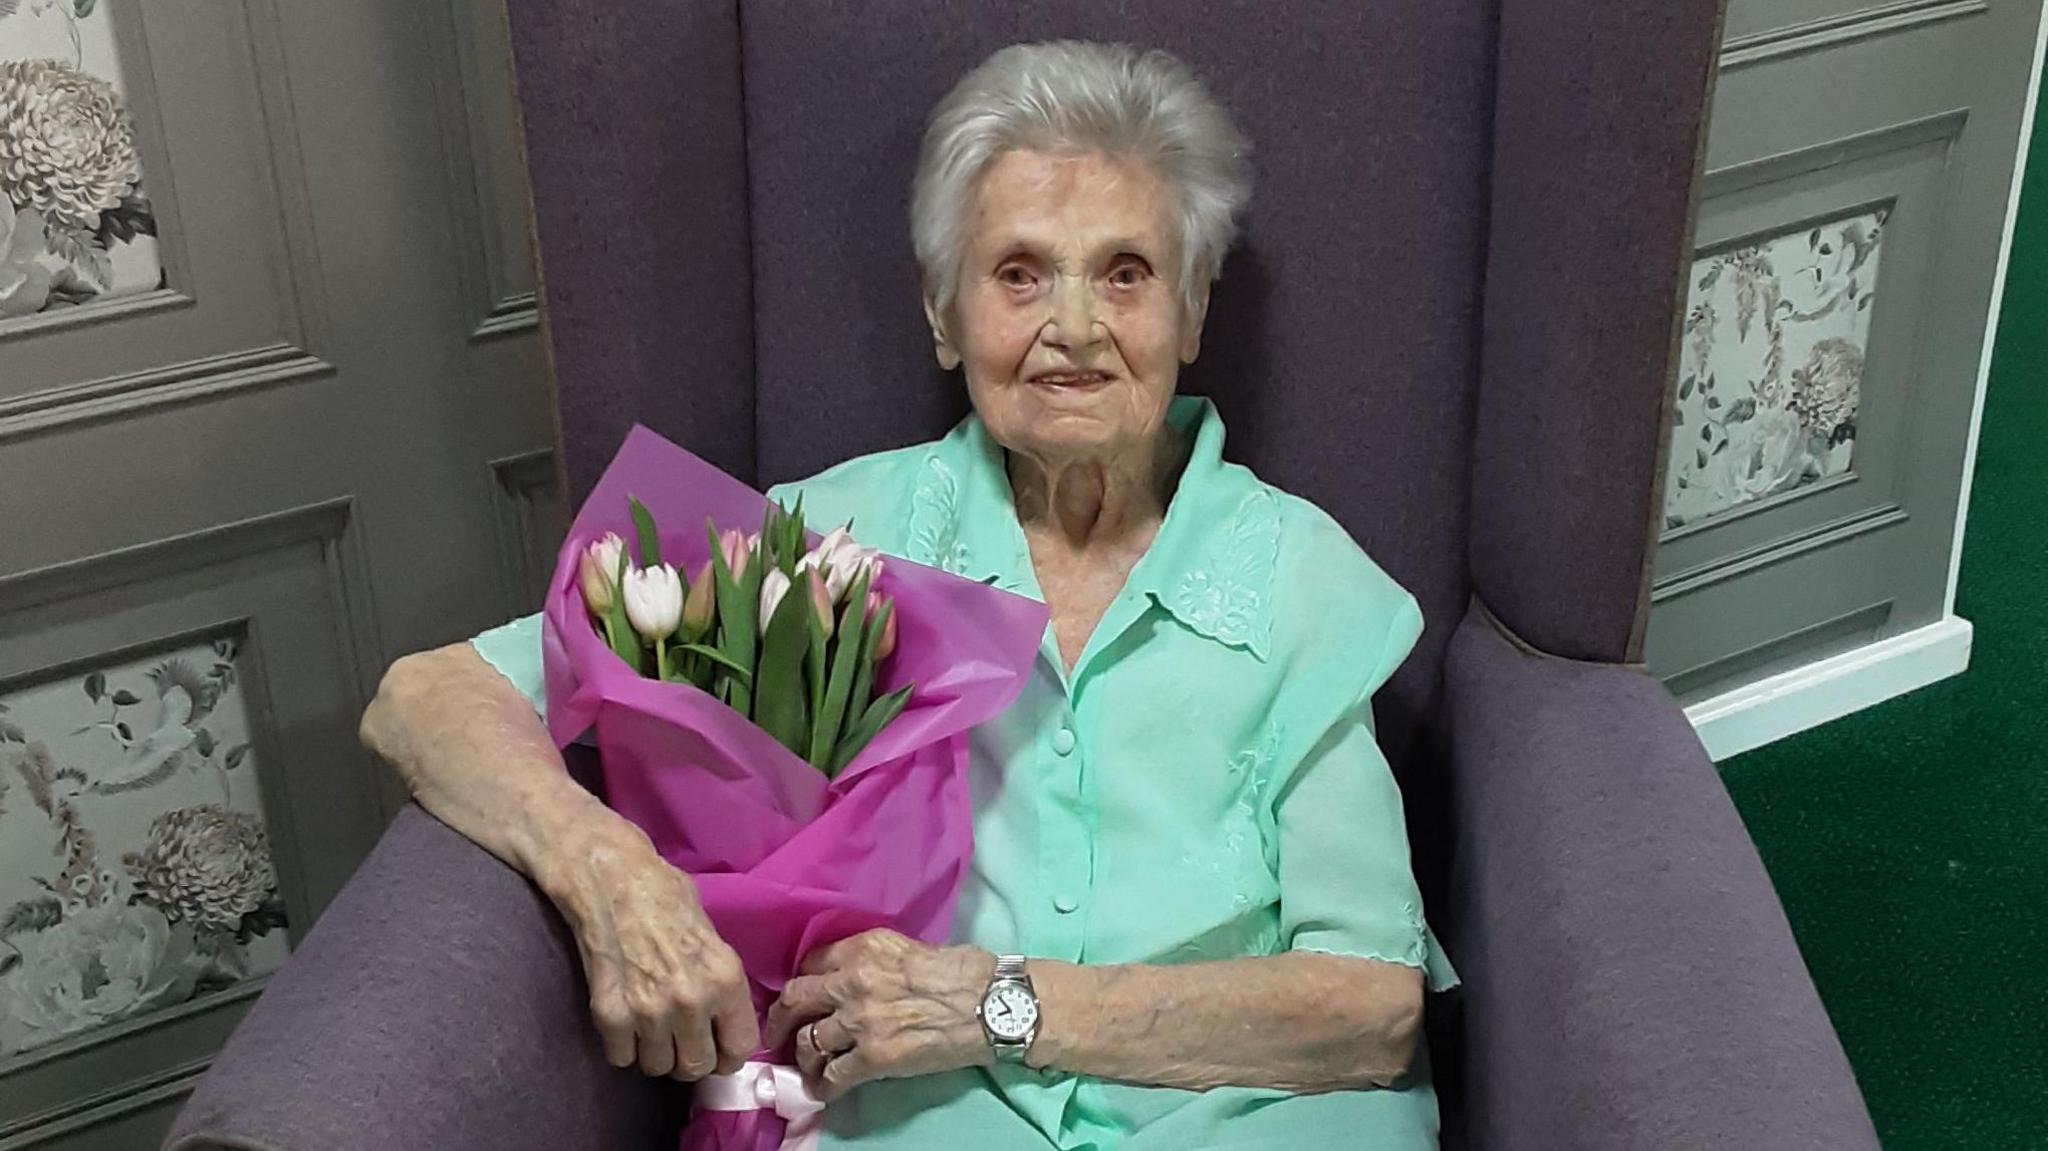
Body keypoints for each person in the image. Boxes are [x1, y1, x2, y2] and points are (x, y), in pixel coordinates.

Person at [358, 39, 1455, 1150]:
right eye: (1017, 273)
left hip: (1246, 1113)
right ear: (941, 313)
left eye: (1123, 271)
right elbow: (427, 695)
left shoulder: (1298, 574)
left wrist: (998, 1005)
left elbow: (1368, 1005)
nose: (1072, 328)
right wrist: (608, 874)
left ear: (1190, 307)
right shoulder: (834, 541)